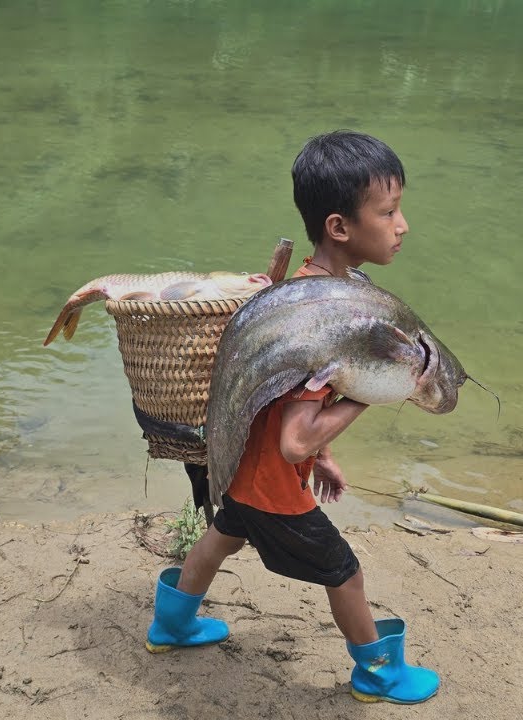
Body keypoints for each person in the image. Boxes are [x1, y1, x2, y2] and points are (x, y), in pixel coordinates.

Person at [144, 131, 438, 705]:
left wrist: (324, 456)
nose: (402, 225)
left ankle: (172, 625)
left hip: (240, 466)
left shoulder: (311, 289)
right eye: (388, 212)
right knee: (345, 574)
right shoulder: (328, 321)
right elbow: (295, 439)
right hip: (274, 488)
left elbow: (284, 397)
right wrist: (365, 397)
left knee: (222, 536)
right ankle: (378, 674)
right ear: (339, 227)